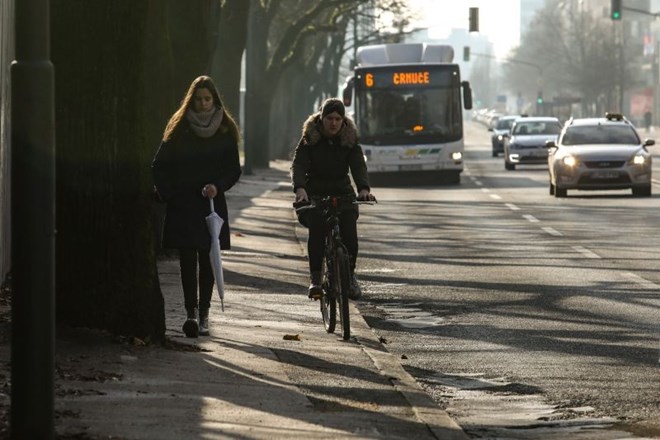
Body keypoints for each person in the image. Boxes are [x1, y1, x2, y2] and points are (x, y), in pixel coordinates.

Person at [152, 75, 241, 338]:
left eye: (207, 99)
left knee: (209, 258)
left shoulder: (225, 130)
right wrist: (169, 193)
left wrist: (218, 186)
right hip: (184, 203)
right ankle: (190, 312)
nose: (203, 104)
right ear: (192, 100)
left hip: (210, 204)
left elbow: (233, 169)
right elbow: (159, 164)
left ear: (214, 100)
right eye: (199, 99)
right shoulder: (179, 128)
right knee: (188, 259)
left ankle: (204, 312)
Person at [291, 98, 376, 301]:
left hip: (343, 193)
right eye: (329, 118)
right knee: (317, 230)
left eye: (338, 118)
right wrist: (300, 189)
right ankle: (316, 280)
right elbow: (299, 165)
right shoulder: (309, 138)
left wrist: (363, 189)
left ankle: (350, 276)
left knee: (350, 234)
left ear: (343, 121)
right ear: (321, 119)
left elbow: (358, 166)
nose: (334, 123)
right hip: (315, 194)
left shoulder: (350, 140)